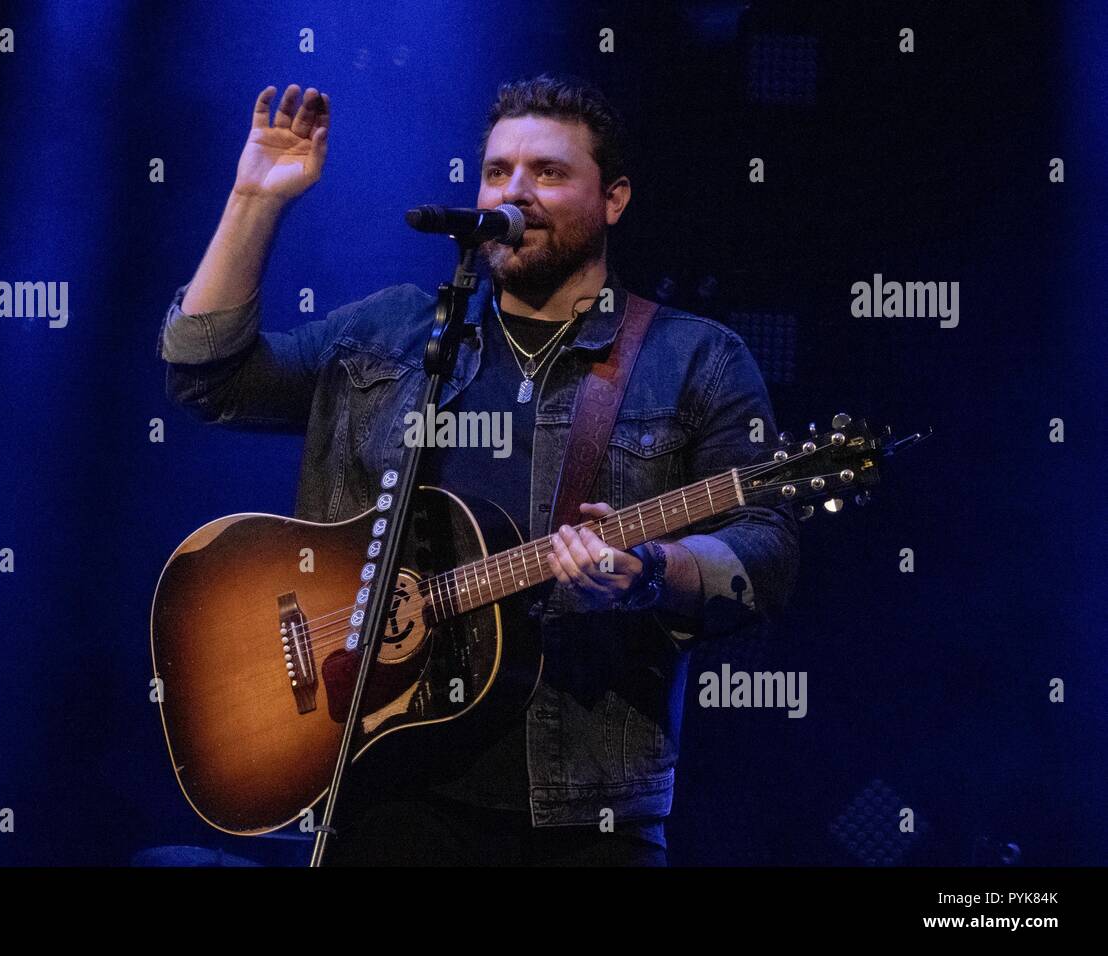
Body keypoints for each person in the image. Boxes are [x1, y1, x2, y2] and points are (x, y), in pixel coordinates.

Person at [157, 74, 799, 866]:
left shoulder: (693, 358)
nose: (515, 192)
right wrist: (255, 198)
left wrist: (650, 571)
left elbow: (767, 550)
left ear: (615, 199)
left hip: (584, 814)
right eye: (498, 172)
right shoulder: (394, 333)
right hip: (379, 787)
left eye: (549, 173)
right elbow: (208, 378)